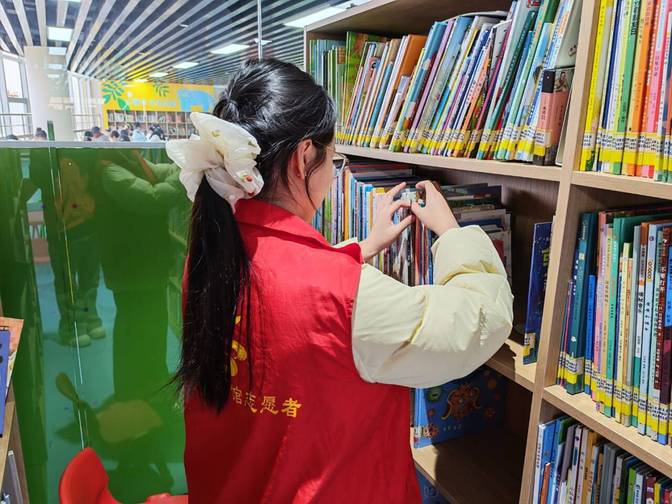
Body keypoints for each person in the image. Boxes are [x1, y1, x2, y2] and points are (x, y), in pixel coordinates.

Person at [166, 60, 513, 503]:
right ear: (303, 158)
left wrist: (363, 248)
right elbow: (478, 323)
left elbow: (291, 286)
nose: (334, 173)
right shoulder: (344, 296)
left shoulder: (211, 255)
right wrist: (451, 233)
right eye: (334, 159)